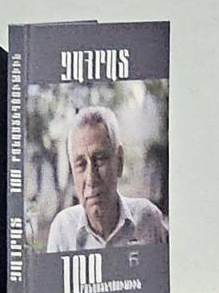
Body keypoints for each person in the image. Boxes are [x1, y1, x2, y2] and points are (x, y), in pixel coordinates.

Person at [47, 106, 167, 251]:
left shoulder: (148, 220)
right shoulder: (63, 230)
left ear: (119, 162)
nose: (91, 178)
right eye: (81, 164)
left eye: (100, 159)